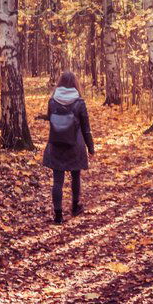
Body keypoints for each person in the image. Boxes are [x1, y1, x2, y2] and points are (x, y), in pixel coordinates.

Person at [40, 71, 95, 224]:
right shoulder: (79, 102)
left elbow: (51, 121)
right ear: (75, 84)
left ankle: (58, 215)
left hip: (56, 144)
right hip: (75, 146)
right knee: (75, 176)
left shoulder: (52, 101)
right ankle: (75, 207)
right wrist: (91, 148)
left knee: (57, 181)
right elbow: (86, 129)